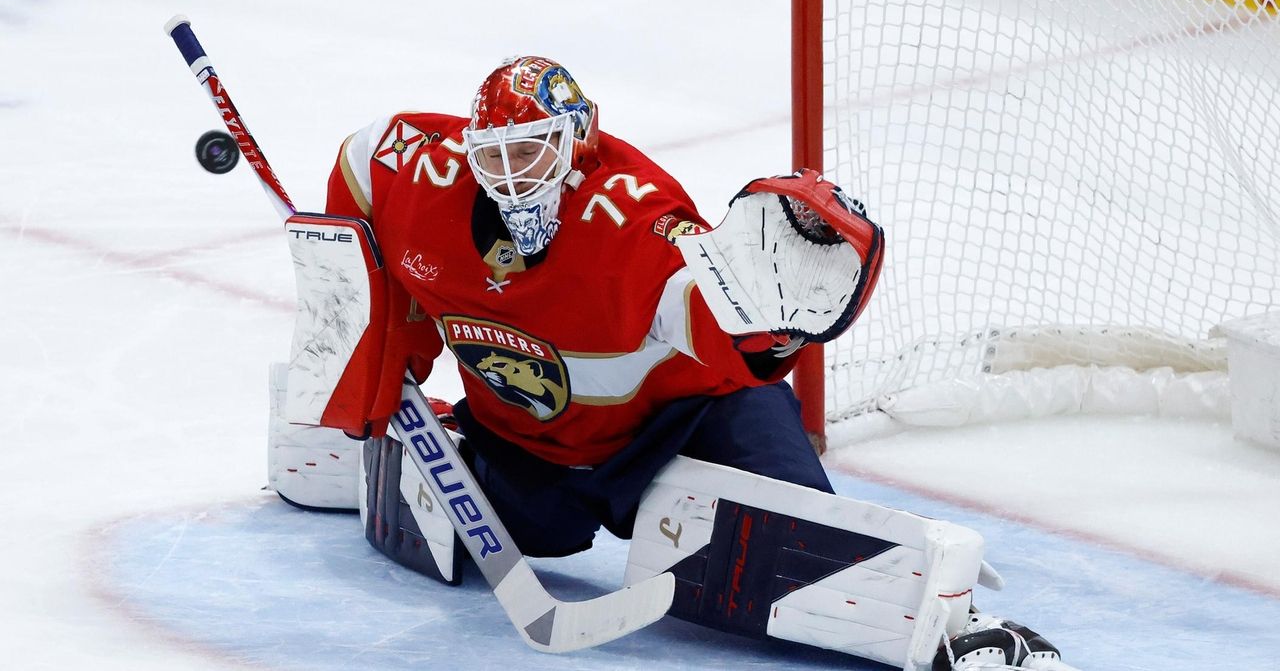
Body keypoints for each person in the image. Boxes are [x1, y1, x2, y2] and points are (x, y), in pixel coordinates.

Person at [303, 55, 1070, 670]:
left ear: (578, 141)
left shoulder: (634, 221)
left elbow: (716, 319)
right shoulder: (424, 175)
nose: (512, 174)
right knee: (449, 529)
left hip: (679, 426)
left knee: (806, 549)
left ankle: (965, 630)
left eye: (532, 151)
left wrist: (773, 328)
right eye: (494, 156)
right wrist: (379, 350)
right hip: (527, 448)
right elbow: (360, 160)